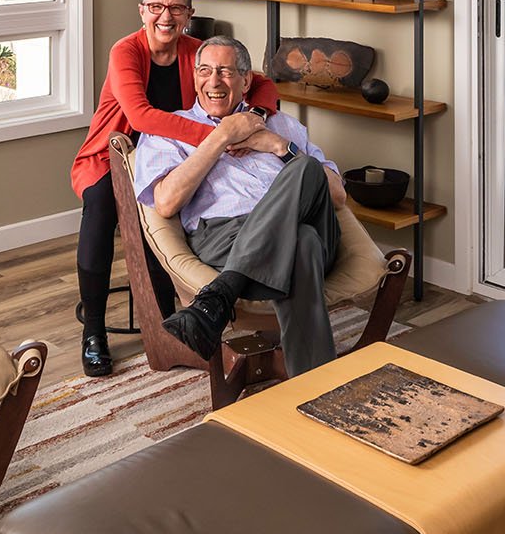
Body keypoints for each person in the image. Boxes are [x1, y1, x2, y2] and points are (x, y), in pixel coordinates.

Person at [69, 0, 279, 377]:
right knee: (100, 210)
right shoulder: (125, 51)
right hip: (111, 155)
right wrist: (221, 136)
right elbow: (139, 117)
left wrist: (255, 117)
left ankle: (168, 322)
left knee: (164, 220)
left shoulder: (196, 51)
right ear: (142, 11)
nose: (166, 17)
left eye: (176, 8)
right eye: (156, 7)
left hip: (169, 155)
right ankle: (93, 333)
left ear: (189, 14)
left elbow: (263, 83)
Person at [133, 36, 348, 378]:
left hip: (309, 238)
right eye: (204, 71)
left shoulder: (281, 125)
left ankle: (221, 294)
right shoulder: (170, 131)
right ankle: (314, 386)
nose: (213, 81)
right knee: (302, 240)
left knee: (305, 167)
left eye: (225, 71)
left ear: (246, 80)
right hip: (225, 237)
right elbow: (166, 202)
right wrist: (219, 138)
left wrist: (279, 146)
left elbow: (337, 197)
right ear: (194, 77)